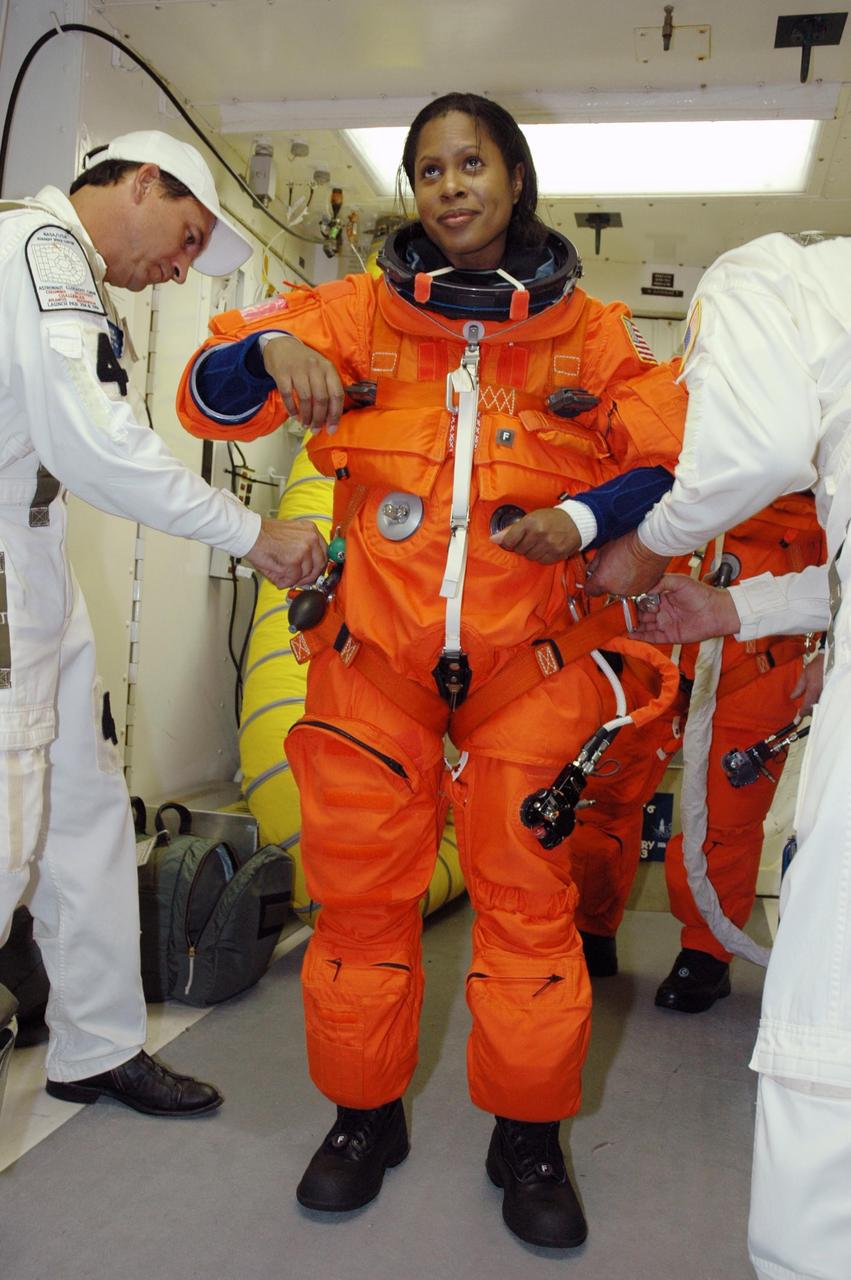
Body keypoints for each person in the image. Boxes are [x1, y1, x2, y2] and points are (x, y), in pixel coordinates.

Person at [177, 93, 686, 1246]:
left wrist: (576, 511)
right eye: (428, 169)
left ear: (513, 176)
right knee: (359, 908)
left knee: (525, 910)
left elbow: (669, 454)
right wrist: (271, 344)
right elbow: (209, 386)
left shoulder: (592, 334)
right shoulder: (354, 311)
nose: (449, 186)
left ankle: (527, 1131)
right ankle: (364, 1116)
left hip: (530, 667)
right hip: (373, 664)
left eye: (471, 163)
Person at [0, 130, 327, 1118]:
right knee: (9, 824)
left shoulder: (77, 278)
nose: (179, 268)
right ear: (140, 182)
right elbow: (100, 447)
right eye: (185, 237)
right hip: (4, 573)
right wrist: (253, 532)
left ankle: (95, 1046)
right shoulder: (39, 251)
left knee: (89, 811)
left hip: (37, 558)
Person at [585, 229, 851, 1280]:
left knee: (823, 1031)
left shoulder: (761, 276)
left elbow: (744, 451)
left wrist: (647, 544)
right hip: (753, 604)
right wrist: (729, 604)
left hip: (758, 609)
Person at [570, 493, 824, 1012]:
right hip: (654, 634)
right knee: (601, 792)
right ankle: (590, 928)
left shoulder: (823, 436)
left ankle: (706, 953)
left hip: (761, 647)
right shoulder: (679, 420)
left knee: (723, 820)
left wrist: (833, 650)